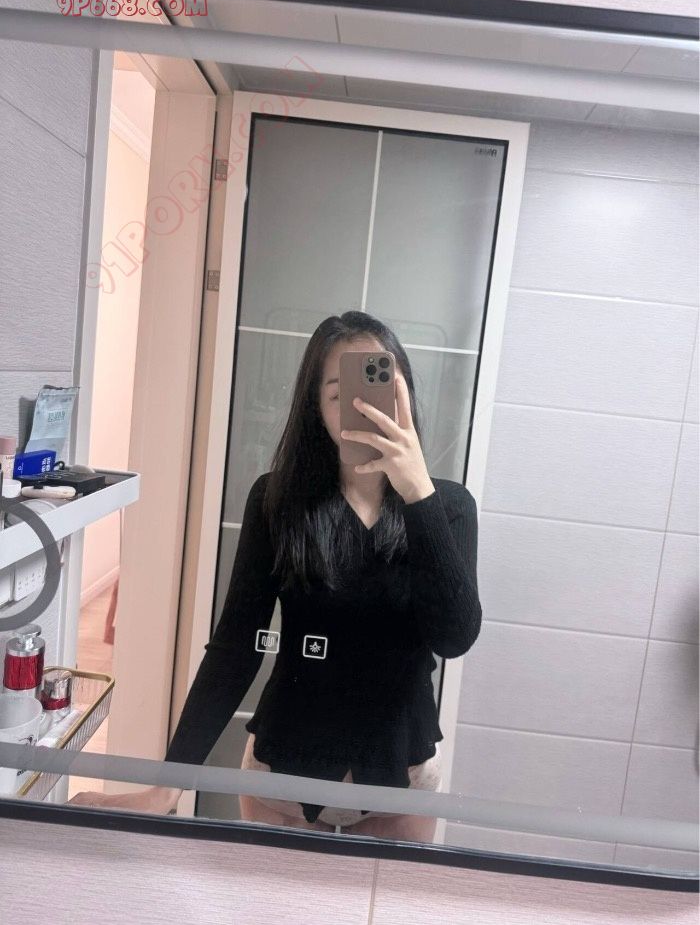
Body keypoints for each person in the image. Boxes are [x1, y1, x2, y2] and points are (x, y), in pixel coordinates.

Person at [68, 311, 481, 843]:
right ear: (316, 408)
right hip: (281, 777)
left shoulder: (448, 507)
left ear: (404, 394)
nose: (361, 408)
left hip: (401, 780)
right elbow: (235, 648)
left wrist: (417, 490)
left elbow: (455, 637)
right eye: (340, 395)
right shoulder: (277, 500)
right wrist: (168, 786)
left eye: (380, 389)